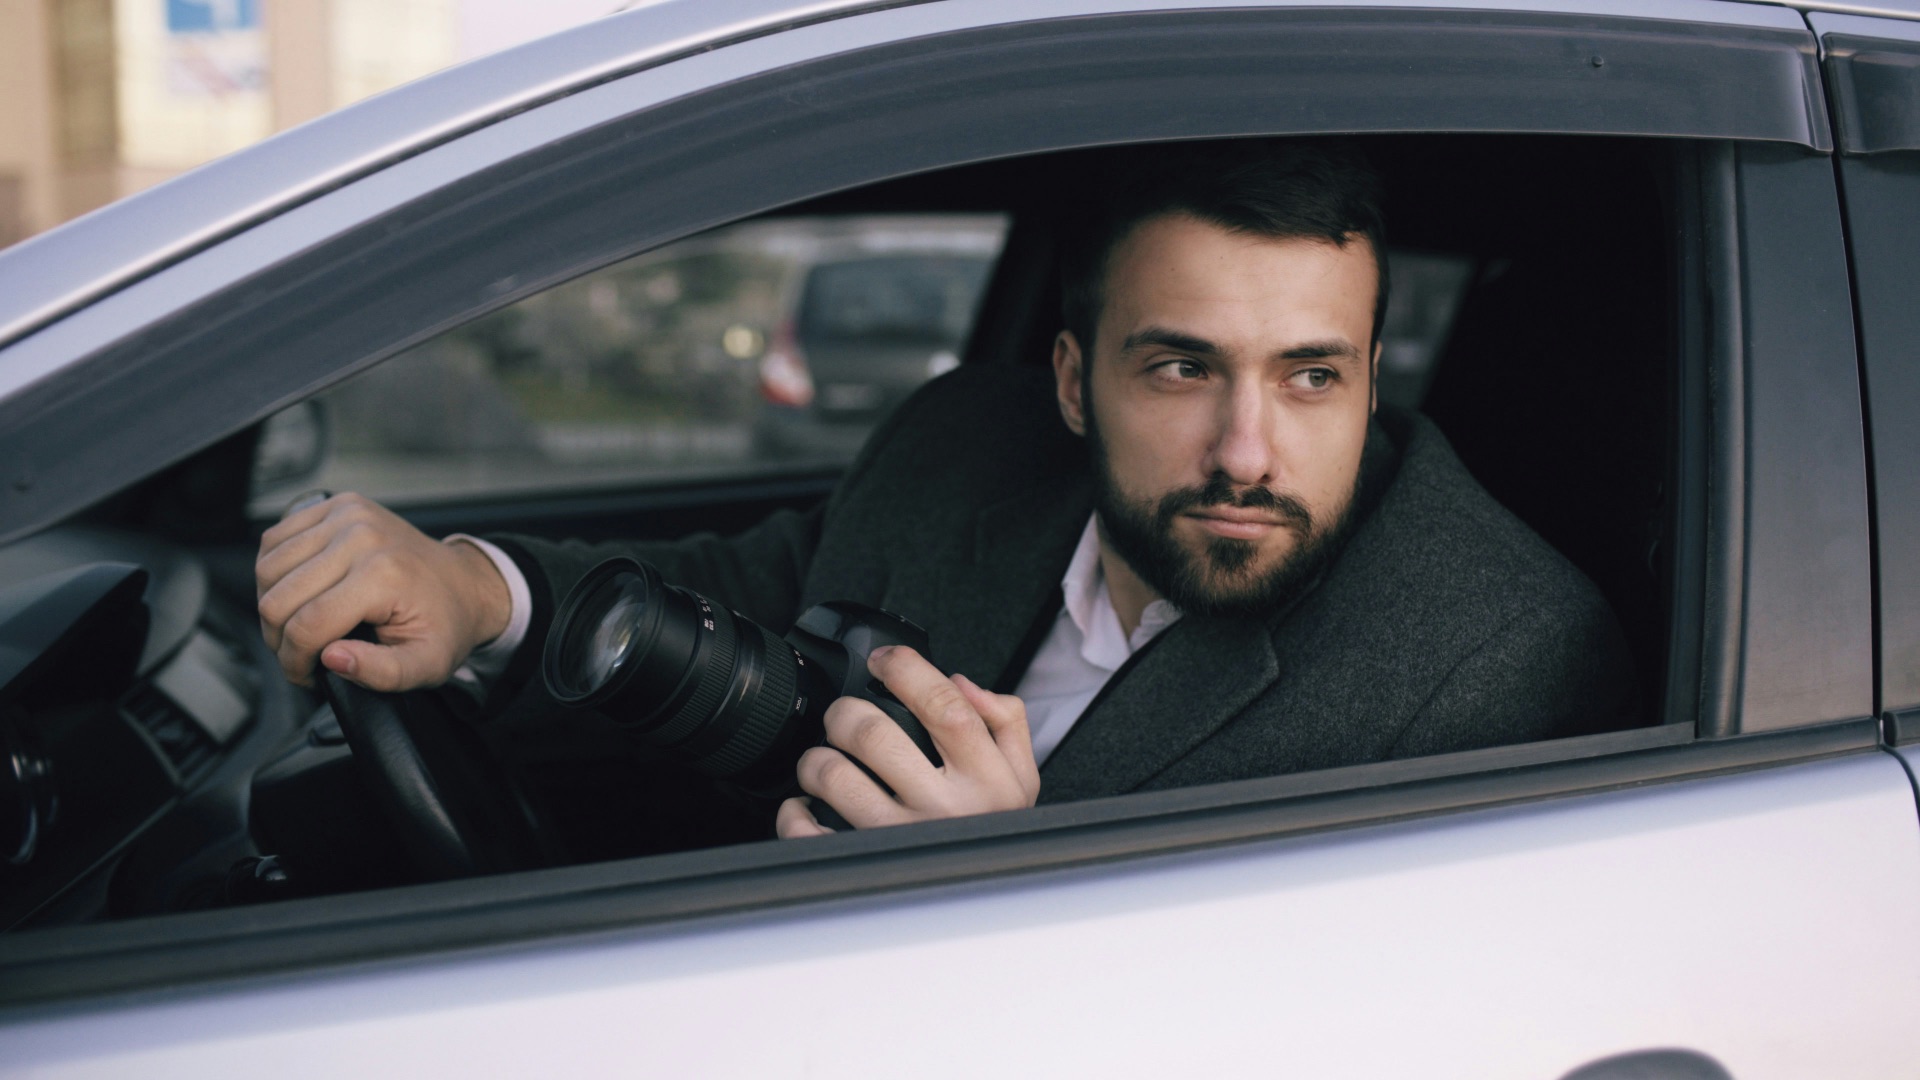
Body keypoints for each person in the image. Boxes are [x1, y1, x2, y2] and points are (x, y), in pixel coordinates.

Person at [255, 141, 1637, 841]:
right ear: (1071, 379)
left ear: (1370, 378)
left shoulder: (1496, 666)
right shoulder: (967, 439)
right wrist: (472, 589)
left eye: (1311, 377)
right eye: (1178, 368)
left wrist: (995, 901)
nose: (1246, 452)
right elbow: (756, 586)